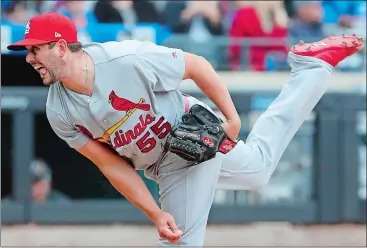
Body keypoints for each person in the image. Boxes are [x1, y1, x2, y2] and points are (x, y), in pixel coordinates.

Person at [7, 12, 363, 246]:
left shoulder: (126, 58)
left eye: (34, 49)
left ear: (59, 47)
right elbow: (111, 165)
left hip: (188, 139)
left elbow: (197, 66)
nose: (28, 58)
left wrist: (232, 116)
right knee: (258, 168)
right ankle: (310, 69)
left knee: (179, 242)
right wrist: (154, 212)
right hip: (158, 163)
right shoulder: (59, 109)